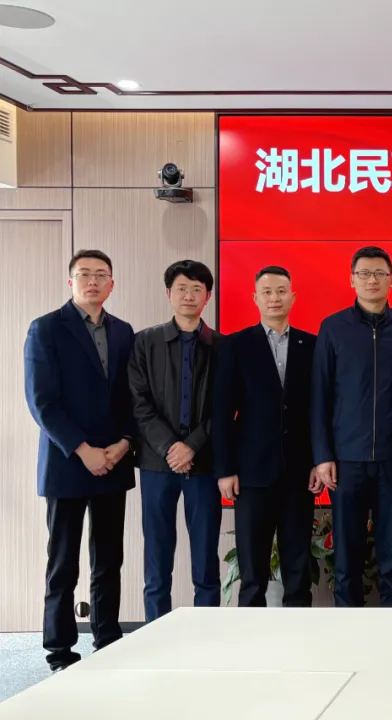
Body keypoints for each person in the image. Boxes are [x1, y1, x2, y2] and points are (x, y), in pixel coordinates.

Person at [24, 250, 135, 671]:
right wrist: (82, 450)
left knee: (108, 560)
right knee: (63, 561)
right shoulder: (46, 328)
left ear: (112, 284)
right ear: (70, 281)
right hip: (67, 462)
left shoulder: (123, 332)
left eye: (100, 275)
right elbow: (42, 401)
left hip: (114, 460)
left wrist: (124, 443)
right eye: (84, 274)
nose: (92, 281)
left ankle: (107, 638)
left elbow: (132, 395)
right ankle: (60, 650)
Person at [312, 246, 392, 608]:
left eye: (379, 273)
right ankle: (348, 629)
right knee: (348, 557)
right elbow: (320, 395)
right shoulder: (333, 328)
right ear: (352, 280)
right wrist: (323, 455)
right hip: (346, 461)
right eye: (364, 273)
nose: (371, 280)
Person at [213, 266, 319, 607]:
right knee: (252, 568)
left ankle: (298, 629)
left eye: (281, 291)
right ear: (255, 298)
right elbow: (222, 413)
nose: (275, 298)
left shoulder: (312, 345)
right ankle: (251, 634)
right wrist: (225, 469)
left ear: (293, 297)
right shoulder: (236, 345)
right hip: (251, 473)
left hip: (299, 472)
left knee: (297, 565)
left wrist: (318, 462)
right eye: (267, 292)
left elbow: (320, 410)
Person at [129, 259, 221, 621]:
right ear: (169, 293)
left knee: (206, 558)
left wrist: (192, 445)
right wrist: (170, 447)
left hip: (205, 464)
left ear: (208, 296)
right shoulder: (145, 342)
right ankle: (156, 631)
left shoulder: (222, 346)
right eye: (182, 288)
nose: (189, 295)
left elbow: (227, 406)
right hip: (157, 463)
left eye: (197, 289)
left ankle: (207, 632)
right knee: (157, 557)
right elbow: (138, 402)